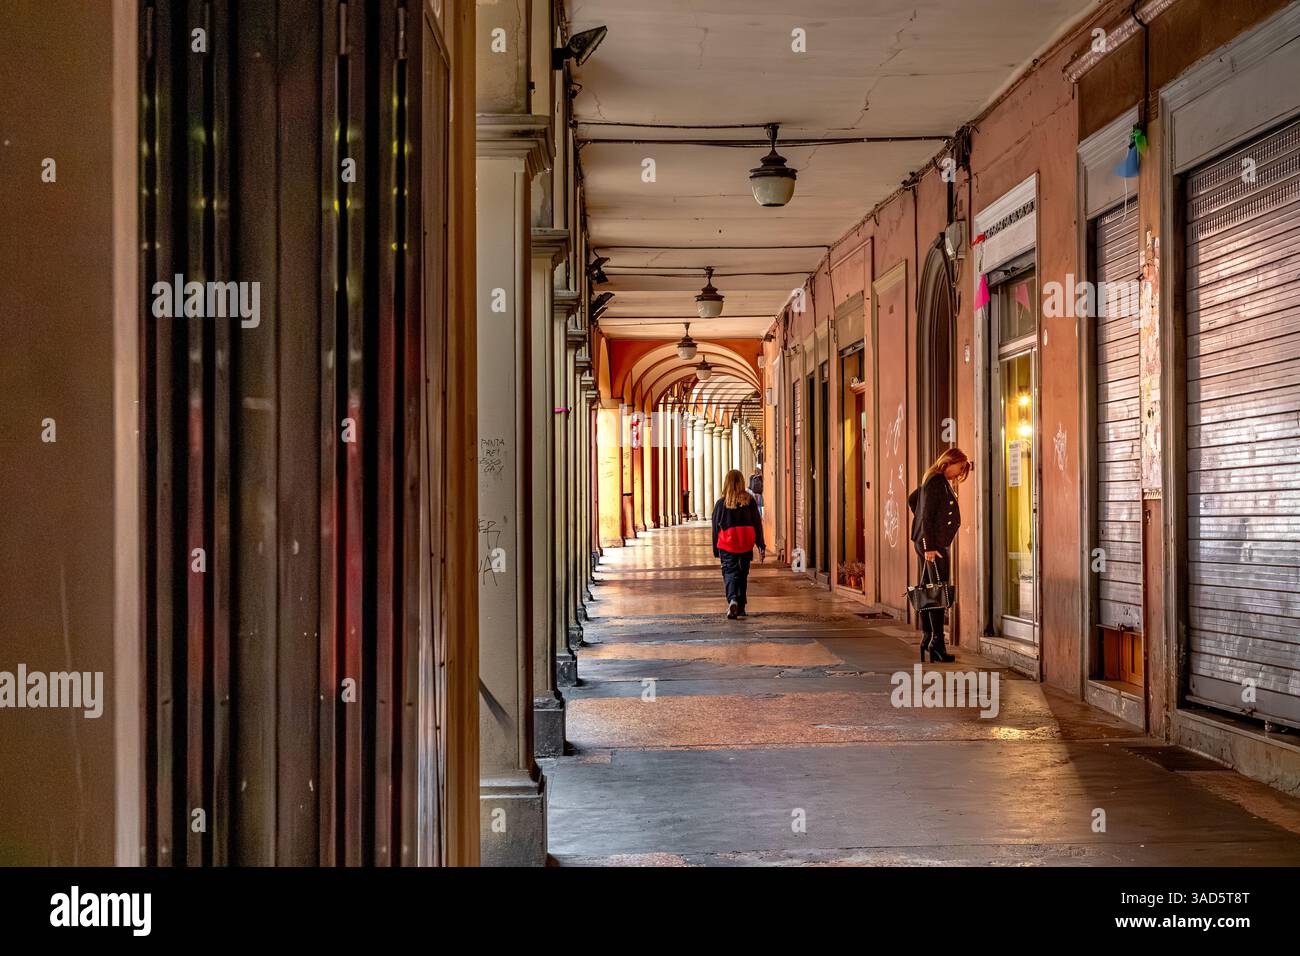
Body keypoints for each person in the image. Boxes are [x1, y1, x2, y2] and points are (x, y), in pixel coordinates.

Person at [907, 448, 973, 662]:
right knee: (936, 593)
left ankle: (928, 637)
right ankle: (936, 643)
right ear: (949, 462)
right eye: (959, 468)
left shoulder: (934, 479)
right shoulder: (936, 481)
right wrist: (928, 545)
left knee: (930, 592)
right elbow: (926, 514)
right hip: (933, 547)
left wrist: (922, 533)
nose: (959, 473)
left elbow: (913, 499)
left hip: (932, 544)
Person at [712, 469, 766, 620]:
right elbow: (757, 524)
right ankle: (741, 607)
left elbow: (715, 528)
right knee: (742, 574)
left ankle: (733, 599)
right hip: (745, 545)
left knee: (730, 572)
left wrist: (716, 549)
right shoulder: (749, 501)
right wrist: (761, 545)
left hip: (727, 545)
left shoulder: (721, 504)